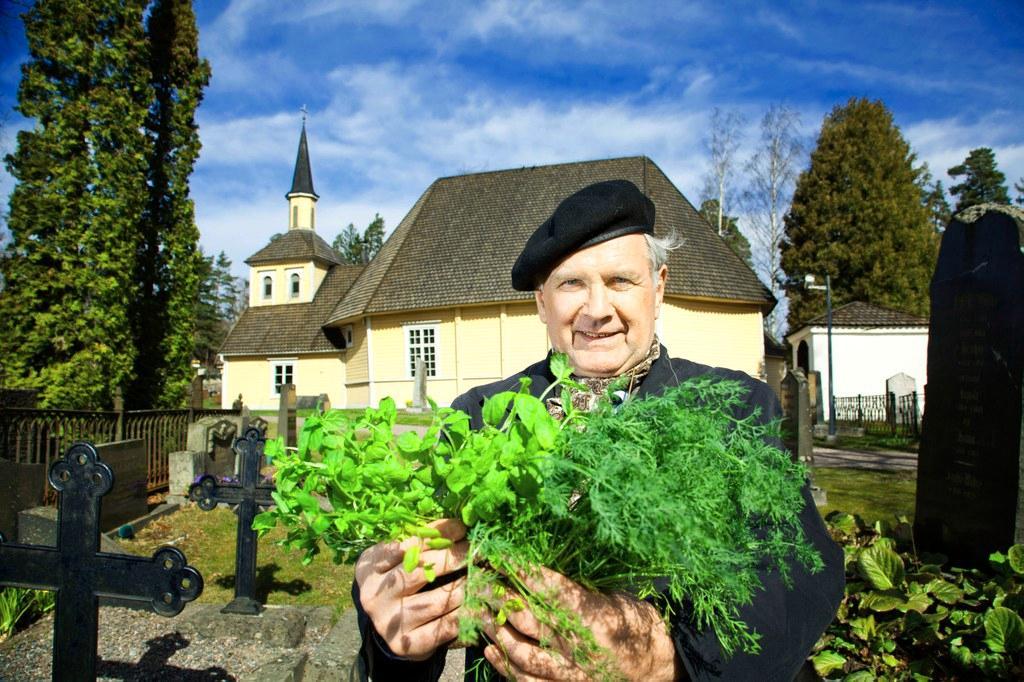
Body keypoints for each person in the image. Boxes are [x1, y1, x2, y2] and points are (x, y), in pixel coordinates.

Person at [353, 180, 845, 680]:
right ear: (542, 303)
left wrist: (666, 657)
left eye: (620, 281)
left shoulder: (735, 411)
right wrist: (392, 630)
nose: (596, 309)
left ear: (659, 289)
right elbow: (424, 589)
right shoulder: (479, 419)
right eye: (571, 284)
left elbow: (798, 579)